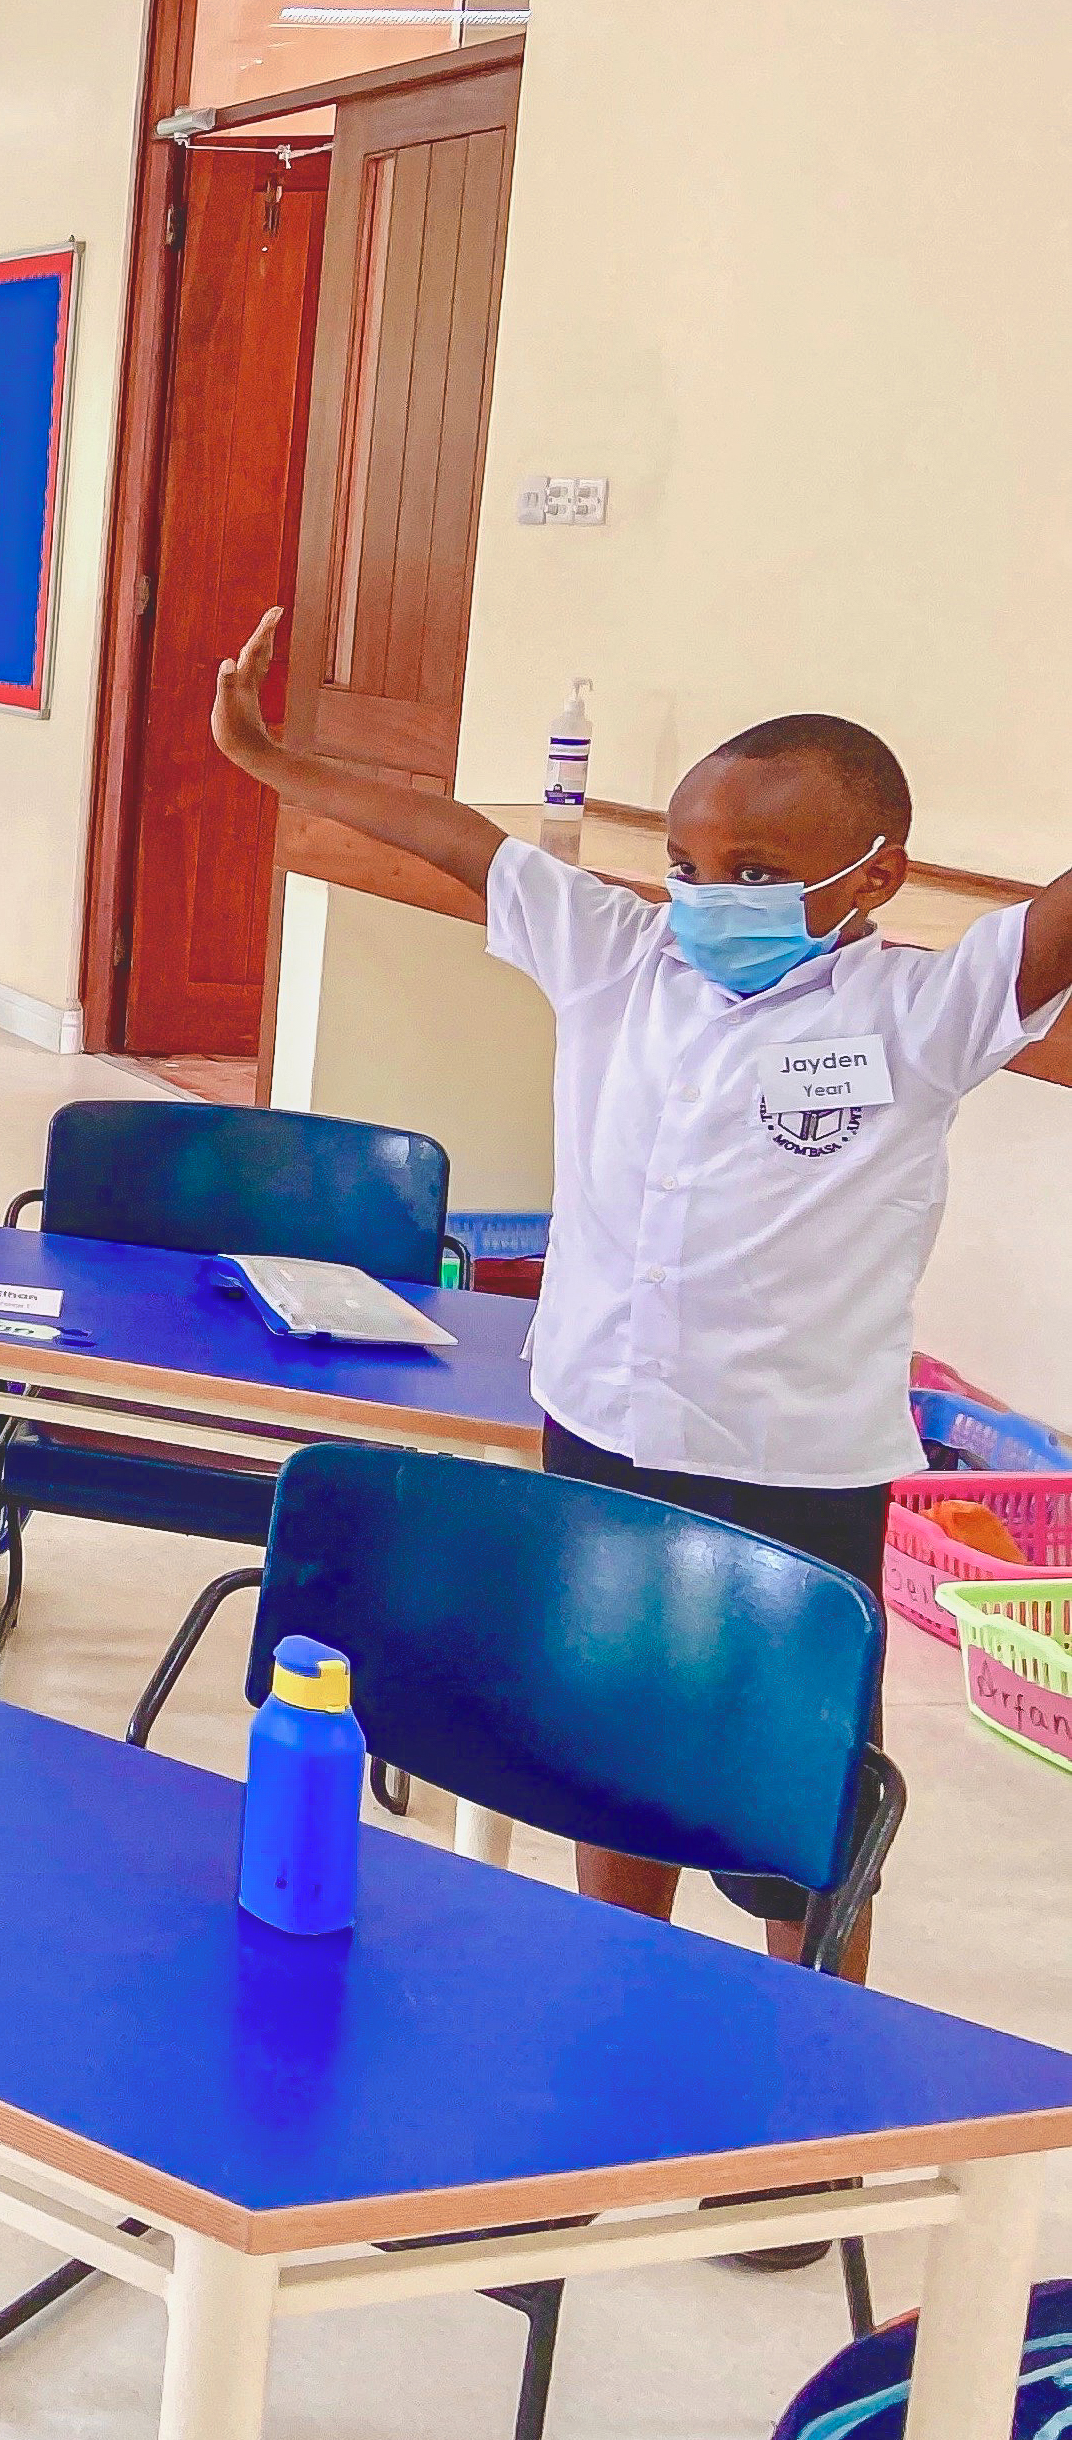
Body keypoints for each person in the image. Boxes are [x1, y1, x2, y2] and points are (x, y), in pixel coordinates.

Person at [212, 605, 1071, 1978]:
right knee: (607, 1743)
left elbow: (1051, 930)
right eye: (683, 862)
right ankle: (622, 1982)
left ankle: (806, 2045)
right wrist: (265, 758)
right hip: (600, 1425)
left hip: (787, 1466)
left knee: (787, 1799)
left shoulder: (918, 1016)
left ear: (872, 876)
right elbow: (449, 836)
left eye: (753, 867)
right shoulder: (617, 957)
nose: (705, 894)